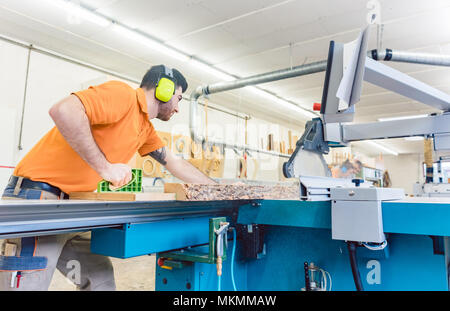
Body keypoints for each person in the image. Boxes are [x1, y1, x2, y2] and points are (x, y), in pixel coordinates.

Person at [0, 64, 216, 291]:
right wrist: (105, 168)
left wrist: (216, 189)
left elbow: (175, 163)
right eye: (179, 98)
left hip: (71, 209)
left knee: (100, 280)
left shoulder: (144, 128)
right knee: (27, 284)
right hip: (39, 198)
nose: (178, 108)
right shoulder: (122, 95)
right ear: (164, 88)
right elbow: (63, 111)